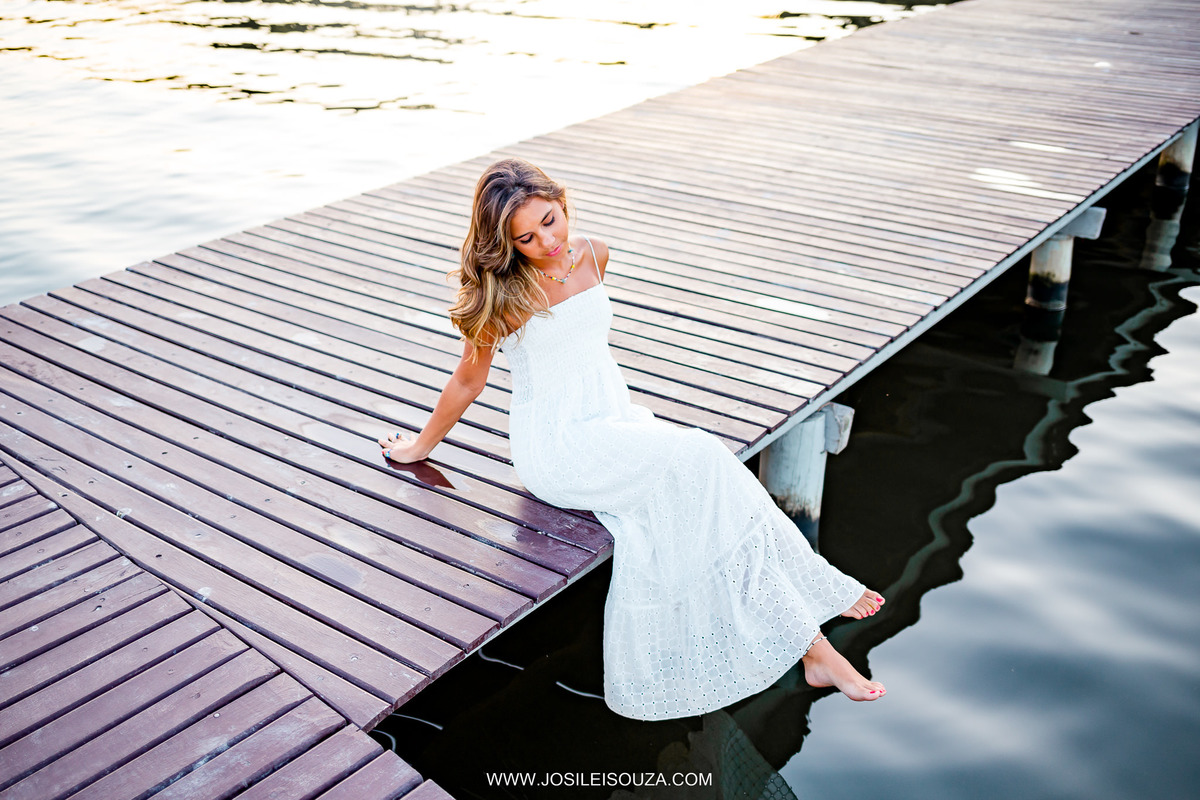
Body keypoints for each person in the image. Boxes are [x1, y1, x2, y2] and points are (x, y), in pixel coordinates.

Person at [378, 158, 886, 720]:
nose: (546, 241)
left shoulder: (594, 254)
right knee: (702, 458)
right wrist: (419, 447)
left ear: (562, 203)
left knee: (708, 493)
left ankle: (810, 648)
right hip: (557, 446)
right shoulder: (504, 295)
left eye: (549, 221)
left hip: (614, 420)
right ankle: (816, 646)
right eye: (525, 238)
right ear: (505, 243)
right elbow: (468, 381)